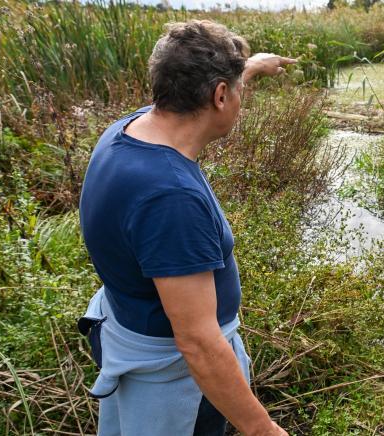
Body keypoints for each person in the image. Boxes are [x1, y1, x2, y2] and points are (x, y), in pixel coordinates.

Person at [78, 20, 296, 436]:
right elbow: (197, 342)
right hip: (177, 380)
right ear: (218, 96)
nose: (238, 99)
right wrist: (263, 429)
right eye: (236, 92)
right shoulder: (170, 197)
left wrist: (249, 67)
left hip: (126, 321)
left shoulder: (131, 128)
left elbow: (201, 83)